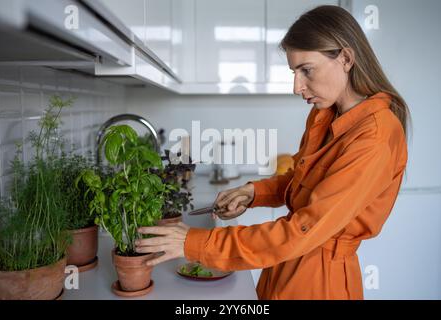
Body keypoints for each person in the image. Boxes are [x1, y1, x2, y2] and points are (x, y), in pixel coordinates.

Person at [135, 5, 410, 300]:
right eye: (294, 72)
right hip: (283, 264)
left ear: (345, 58)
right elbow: (304, 181)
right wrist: (254, 192)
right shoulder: (325, 115)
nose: (296, 86)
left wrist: (195, 243)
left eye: (307, 70)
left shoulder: (375, 136)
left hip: (321, 282)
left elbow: (302, 230)